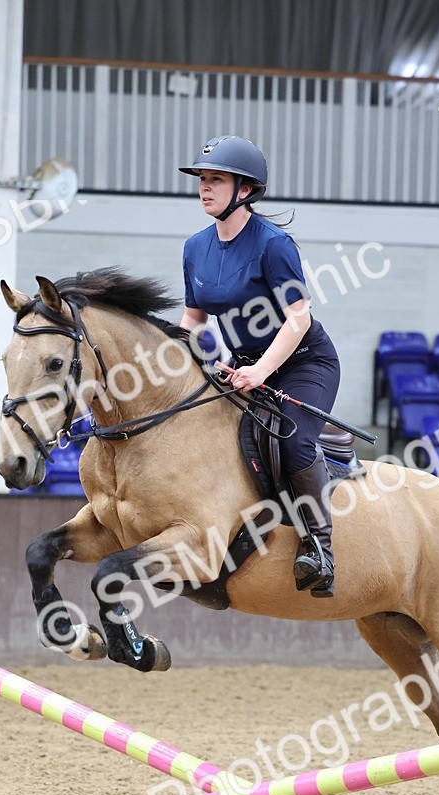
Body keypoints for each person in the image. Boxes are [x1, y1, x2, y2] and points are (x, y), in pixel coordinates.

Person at [178, 134, 349, 599]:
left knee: (292, 443)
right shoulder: (195, 247)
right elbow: (193, 321)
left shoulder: (274, 245)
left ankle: (321, 549)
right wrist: (209, 360)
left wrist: (259, 372)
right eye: (202, 180)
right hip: (244, 365)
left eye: (216, 180)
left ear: (246, 190)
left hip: (304, 361)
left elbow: (299, 318)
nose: (204, 188)